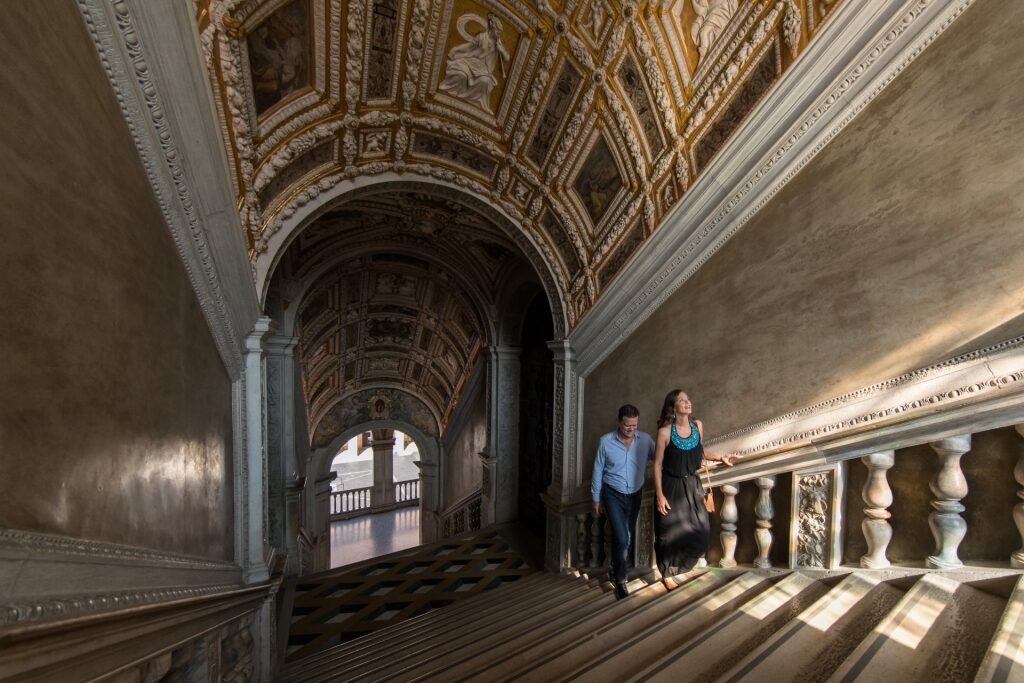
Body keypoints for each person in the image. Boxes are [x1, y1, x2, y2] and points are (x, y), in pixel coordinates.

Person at [653, 389, 738, 583]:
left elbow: (699, 452)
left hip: (693, 485)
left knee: (700, 532)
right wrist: (659, 494)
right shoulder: (665, 432)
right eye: (681, 400)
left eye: (688, 399)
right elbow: (657, 464)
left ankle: (681, 569)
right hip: (671, 486)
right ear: (673, 408)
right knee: (669, 533)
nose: (687, 402)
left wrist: (720, 457)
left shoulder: (697, 425)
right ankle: (668, 574)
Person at [592, 404, 656, 599]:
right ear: (620, 422)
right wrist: (595, 497)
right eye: (628, 425)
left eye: (635, 425)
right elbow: (597, 469)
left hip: (635, 494)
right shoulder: (605, 442)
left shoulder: (645, 440)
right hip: (612, 493)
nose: (631, 429)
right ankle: (620, 579)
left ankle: (614, 567)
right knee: (621, 537)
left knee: (626, 536)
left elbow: (659, 458)